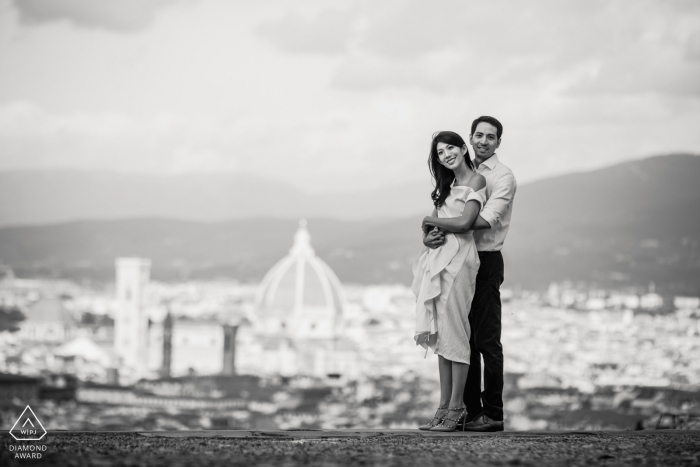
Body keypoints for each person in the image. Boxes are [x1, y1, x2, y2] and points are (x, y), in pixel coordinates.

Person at [423, 116, 517, 432]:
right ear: (470, 139)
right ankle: (465, 410)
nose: (483, 141)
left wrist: (439, 223)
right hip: (452, 258)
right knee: (460, 336)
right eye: (479, 134)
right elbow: (451, 219)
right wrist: (431, 232)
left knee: (486, 340)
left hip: (484, 259)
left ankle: (491, 413)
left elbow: (482, 220)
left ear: (498, 142)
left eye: (491, 137)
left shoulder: (501, 177)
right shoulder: (455, 177)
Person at [411, 131, 487, 432]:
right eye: (440, 153)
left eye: (450, 148)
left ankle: (457, 408)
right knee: (442, 336)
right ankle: (443, 408)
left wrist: (430, 221)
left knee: (455, 333)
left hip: (460, 262)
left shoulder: (476, 181)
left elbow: (465, 223)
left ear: (462, 148)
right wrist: (428, 235)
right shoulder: (448, 187)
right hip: (440, 261)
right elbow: (433, 229)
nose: (446, 155)